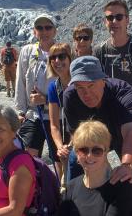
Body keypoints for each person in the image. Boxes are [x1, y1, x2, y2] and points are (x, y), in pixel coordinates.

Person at [63, 56, 132, 216]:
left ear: (103, 80)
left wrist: (126, 165)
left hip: (124, 138)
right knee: (74, 170)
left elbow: (131, 133)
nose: (86, 93)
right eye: (80, 87)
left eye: (91, 85)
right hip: (92, 141)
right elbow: (76, 135)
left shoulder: (123, 92)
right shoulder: (70, 96)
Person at [60, 120, 132, 216]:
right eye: (83, 150)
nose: (89, 156)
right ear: (76, 154)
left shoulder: (122, 188)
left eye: (97, 151)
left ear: (106, 153)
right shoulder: (70, 188)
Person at [15, 14, 57, 157]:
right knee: (27, 156)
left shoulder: (61, 52)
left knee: (58, 158)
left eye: (48, 27)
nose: (44, 31)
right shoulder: (27, 51)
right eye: (39, 28)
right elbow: (20, 81)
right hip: (33, 114)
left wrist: (46, 100)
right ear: (34, 31)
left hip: (56, 115)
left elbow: (66, 85)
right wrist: (20, 111)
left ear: (54, 31)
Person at [94, 0, 132, 99]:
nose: (114, 21)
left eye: (119, 17)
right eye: (110, 18)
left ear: (127, 20)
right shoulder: (99, 51)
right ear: (105, 22)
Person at [47, 43, 75, 182]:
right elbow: (54, 125)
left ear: (70, 58)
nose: (57, 61)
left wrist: (72, 144)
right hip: (65, 144)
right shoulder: (53, 87)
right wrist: (60, 147)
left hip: (83, 141)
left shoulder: (80, 82)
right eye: (53, 57)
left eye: (62, 56)